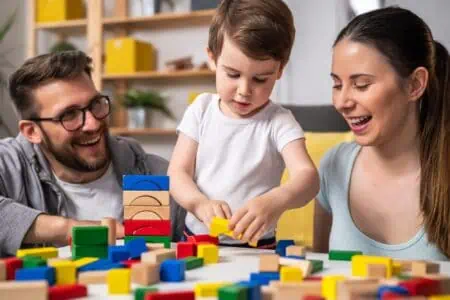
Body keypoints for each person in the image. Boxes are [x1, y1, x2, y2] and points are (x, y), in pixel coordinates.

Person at [168, 0, 319, 248]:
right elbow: (177, 173)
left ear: (280, 70)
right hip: (197, 240)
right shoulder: (201, 109)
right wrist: (198, 203)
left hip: (258, 247)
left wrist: (276, 200)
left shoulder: (278, 121)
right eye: (233, 74)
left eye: (260, 79)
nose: (244, 91)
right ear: (212, 58)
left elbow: (308, 177)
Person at [0, 51, 168, 257]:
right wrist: (69, 229)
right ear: (32, 132)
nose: (93, 123)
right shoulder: (9, 164)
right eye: (69, 114)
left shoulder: (149, 173)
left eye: (95, 104)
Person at [314, 6, 450, 259]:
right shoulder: (334, 166)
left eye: (361, 85)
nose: (342, 101)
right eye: (337, 84)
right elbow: (318, 275)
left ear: (415, 85)